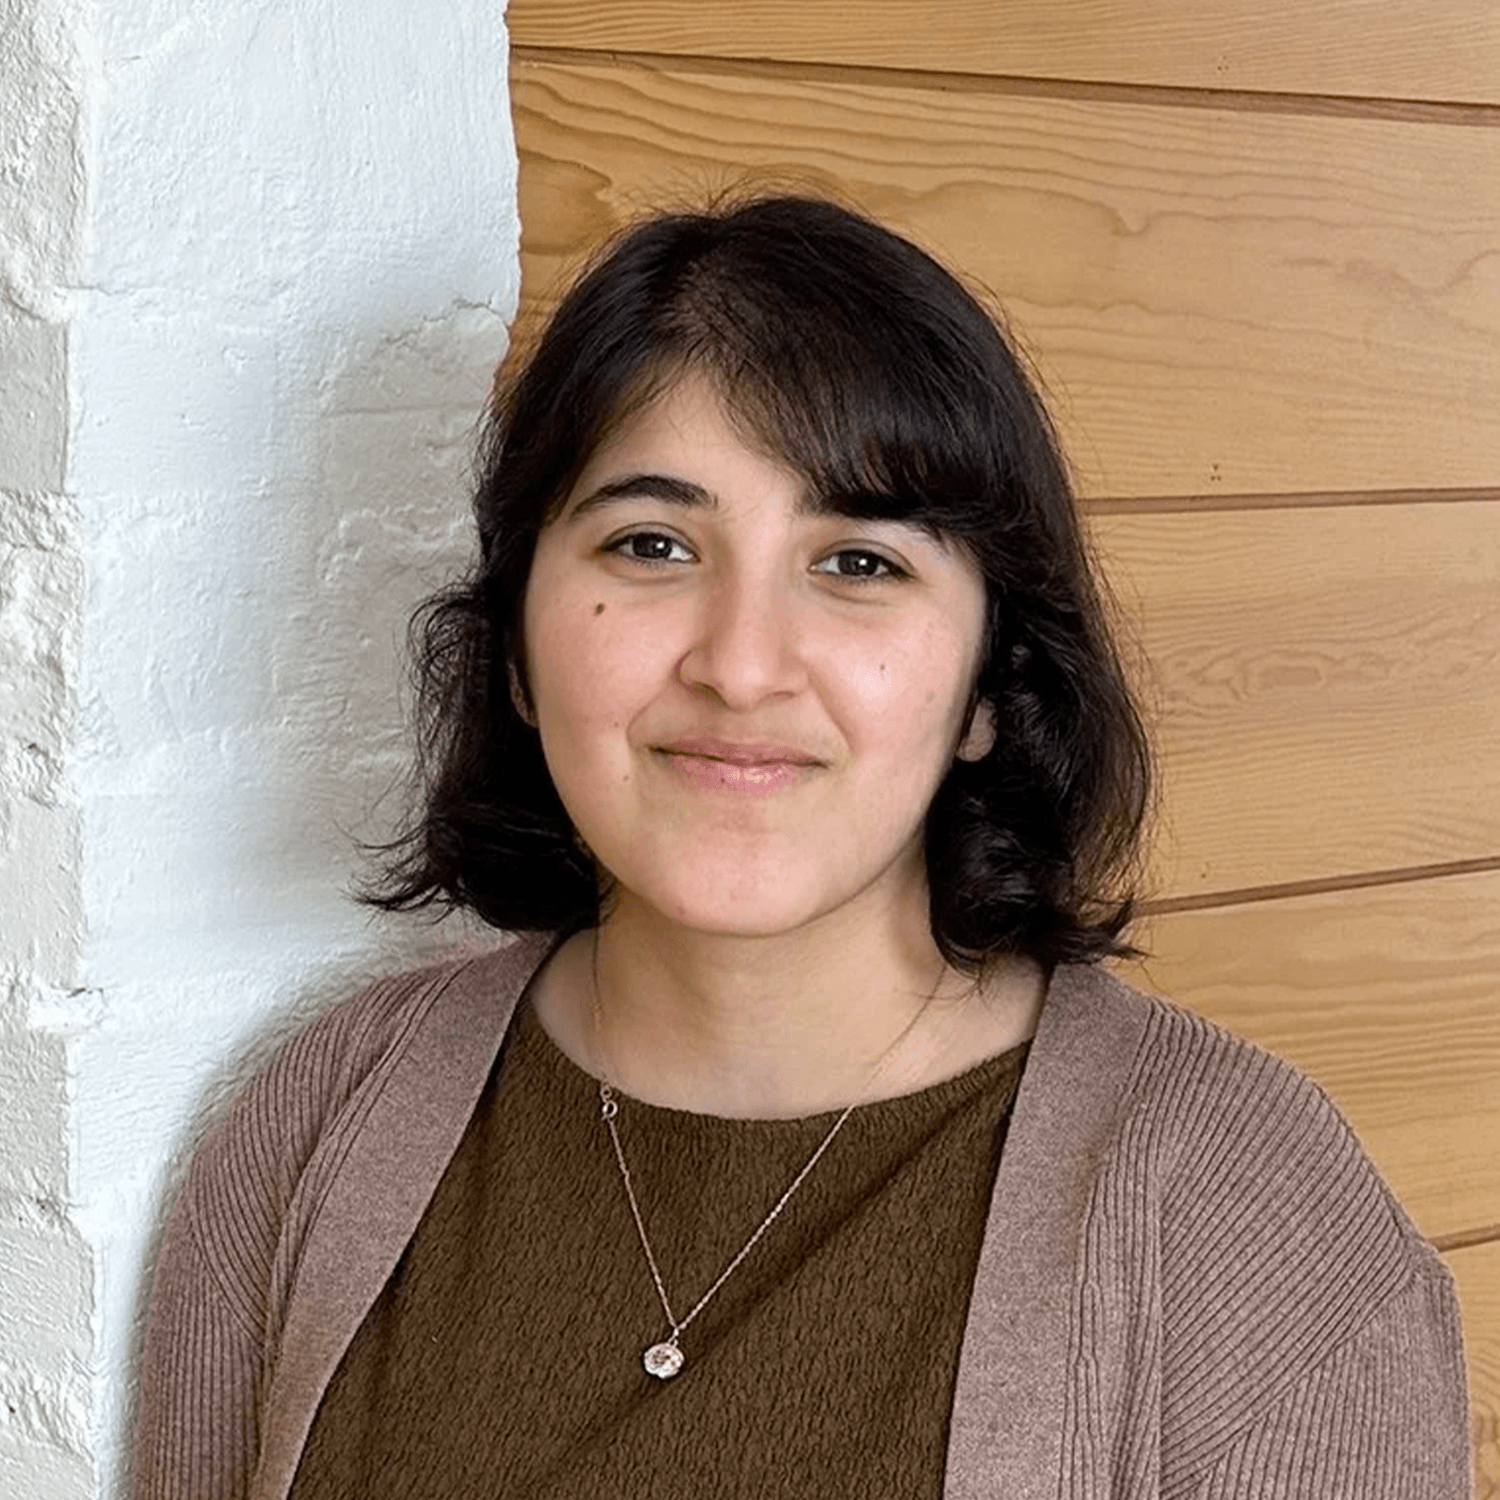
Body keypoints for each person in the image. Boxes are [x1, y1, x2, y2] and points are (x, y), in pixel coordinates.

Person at [131, 195, 1471, 1500]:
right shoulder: (318, 1128)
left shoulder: (1250, 1215)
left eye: (861, 563)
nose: (743, 665)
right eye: (653, 544)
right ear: (520, 648)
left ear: (989, 688)